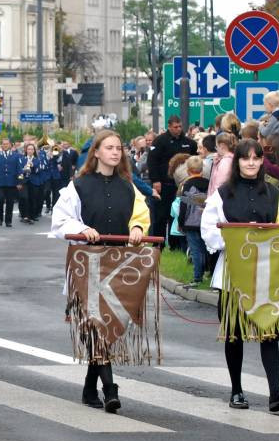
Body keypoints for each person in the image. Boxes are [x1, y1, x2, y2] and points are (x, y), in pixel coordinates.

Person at [51, 129, 150, 412]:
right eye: (109, 147)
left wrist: (137, 227)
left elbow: (141, 215)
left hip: (118, 265)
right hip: (86, 265)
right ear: (96, 152)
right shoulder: (78, 185)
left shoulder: (128, 187)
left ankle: (88, 386)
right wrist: (82, 229)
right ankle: (110, 388)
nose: (115, 152)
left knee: (107, 326)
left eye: (118, 148)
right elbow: (60, 220)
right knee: (94, 325)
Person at [200, 139, 279, 412]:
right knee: (234, 333)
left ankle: (275, 392)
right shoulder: (222, 194)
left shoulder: (274, 193)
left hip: (266, 272)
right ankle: (236, 391)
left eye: (256, 158)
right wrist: (239, 237)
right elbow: (209, 229)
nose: (251, 163)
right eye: (246, 158)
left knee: (270, 331)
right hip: (233, 272)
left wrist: (268, 235)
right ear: (238, 162)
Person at [147, 116, 198, 239]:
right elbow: (152, 161)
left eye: (180, 126)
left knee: (177, 214)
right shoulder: (160, 141)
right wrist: (155, 180)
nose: (178, 129)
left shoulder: (189, 143)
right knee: (161, 215)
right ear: (169, 127)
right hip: (164, 184)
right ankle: (158, 242)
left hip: (182, 185)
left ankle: (175, 243)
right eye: (175, 127)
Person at [179, 157, 209, 285]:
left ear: (188, 170)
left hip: (190, 222)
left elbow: (184, 206)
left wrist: (181, 222)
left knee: (195, 250)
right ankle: (207, 271)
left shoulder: (187, 185)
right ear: (202, 170)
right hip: (206, 221)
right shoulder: (208, 183)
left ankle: (197, 277)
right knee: (205, 249)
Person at [0, 138, 22, 227]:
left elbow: (19, 170)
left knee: (10, 202)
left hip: (12, 183)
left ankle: (8, 221)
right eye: (3, 144)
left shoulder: (16, 156)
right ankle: (0, 219)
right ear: (1, 145)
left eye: (7, 144)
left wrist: (19, 182)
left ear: (10, 145)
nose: (5, 145)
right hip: (0, 183)